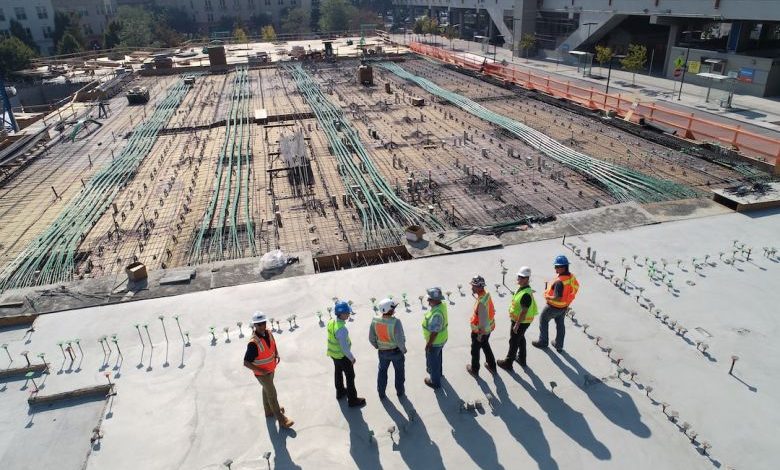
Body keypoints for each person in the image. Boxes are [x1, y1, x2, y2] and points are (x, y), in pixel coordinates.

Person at [243, 311, 294, 428]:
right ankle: (282, 420)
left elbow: (273, 345)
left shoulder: (269, 333)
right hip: (262, 374)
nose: (262, 326)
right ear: (254, 325)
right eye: (259, 324)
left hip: (271, 369)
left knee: (266, 390)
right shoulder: (253, 343)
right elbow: (246, 362)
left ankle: (269, 411)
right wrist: (261, 371)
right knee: (272, 394)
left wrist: (276, 354)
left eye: (263, 323)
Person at [533, 255, 580, 352]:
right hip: (564, 307)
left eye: (556, 267)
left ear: (563, 267)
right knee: (560, 325)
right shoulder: (571, 277)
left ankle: (543, 341)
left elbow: (557, 298)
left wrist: (547, 296)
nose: (555, 268)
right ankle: (559, 345)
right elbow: (575, 288)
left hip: (553, 307)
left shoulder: (559, 282)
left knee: (543, 320)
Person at [497, 266, 538, 371]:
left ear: (527, 279)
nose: (519, 279)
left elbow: (524, 312)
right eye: (519, 276)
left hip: (521, 322)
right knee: (520, 338)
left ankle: (508, 363)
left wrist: (517, 325)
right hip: (521, 321)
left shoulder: (526, 295)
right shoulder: (523, 289)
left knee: (514, 341)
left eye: (522, 277)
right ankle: (522, 358)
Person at [327, 301, 366, 407]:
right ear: (341, 314)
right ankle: (352, 400)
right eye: (347, 312)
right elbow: (344, 348)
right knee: (350, 376)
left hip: (333, 354)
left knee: (338, 372)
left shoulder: (331, 322)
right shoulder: (341, 329)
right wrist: (352, 358)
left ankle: (340, 392)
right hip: (342, 356)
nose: (349, 314)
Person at [369, 298, 407, 399]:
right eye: (393, 308)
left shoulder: (375, 320)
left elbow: (371, 338)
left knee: (382, 372)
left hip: (382, 352)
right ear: (389, 310)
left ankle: (381, 393)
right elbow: (400, 339)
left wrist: (377, 346)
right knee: (399, 372)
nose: (394, 309)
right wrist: (403, 349)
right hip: (396, 352)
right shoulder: (396, 322)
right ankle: (400, 392)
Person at [467, 275, 497, 376]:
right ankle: (492, 366)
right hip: (488, 329)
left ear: (480, 287)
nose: (472, 287)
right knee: (485, 346)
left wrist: (479, 336)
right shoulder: (486, 295)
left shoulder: (481, 302)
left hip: (480, 332)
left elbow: (482, 320)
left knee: (475, 351)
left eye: (474, 286)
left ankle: (474, 369)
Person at [422, 287, 448, 389]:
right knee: (438, 357)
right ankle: (439, 374)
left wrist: (428, 344)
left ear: (436, 300)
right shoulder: (442, 305)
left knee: (433, 363)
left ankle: (435, 382)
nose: (428, 301)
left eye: (430, 299)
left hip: (435, 342)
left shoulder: (437, 314)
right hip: (442, 339)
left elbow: (434, 332)